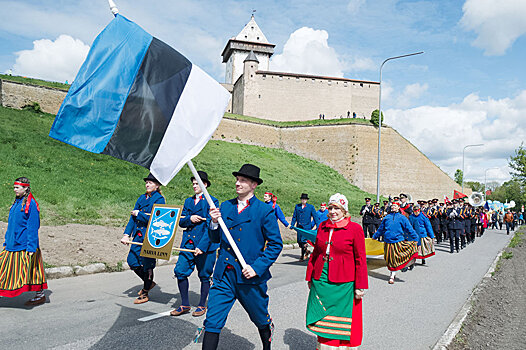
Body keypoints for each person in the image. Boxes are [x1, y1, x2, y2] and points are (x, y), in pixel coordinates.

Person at [201, 164, 283, 350]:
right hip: (224, 276)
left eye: (243, 180)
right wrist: (213, 223)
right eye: (237, 179)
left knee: (260, 318)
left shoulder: (264, 211)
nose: (238, 183)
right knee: (212, 321)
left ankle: (266, 341)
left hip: (249, 276)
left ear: (254, 185)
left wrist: (257, 267)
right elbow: (215, 239)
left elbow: (276, 244)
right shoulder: (225, 207)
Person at [305, 193, 368, 349]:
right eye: (331, 208)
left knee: (342, 317)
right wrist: (310, 277)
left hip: (344, 281)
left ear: (344, 210)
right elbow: (316, 254)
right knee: (322, 315)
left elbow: (360, 259)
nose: (333, 211)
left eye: (337, 208)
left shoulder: (355, 229)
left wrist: (360, 286)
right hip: (321, 278)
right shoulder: (322, 226)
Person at [171, 171, 219, 317]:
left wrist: (202, 247)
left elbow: (211, 225)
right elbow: (181, 221)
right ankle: (184, 304)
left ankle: (201, 304)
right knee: (180, 272)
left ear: (204, 185)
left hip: (206, 245)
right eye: (193, 183)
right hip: (188, 243)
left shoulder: (212, 202)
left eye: (197, 183)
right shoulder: (188, 201)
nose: (194, 186)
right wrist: (190, 218)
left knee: (204, 275)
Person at [0, 177, 47, 305]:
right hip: (12, 244)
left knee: (31, 270)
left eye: (17, 187)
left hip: (24, 246)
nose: (14, 190)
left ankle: (40, 295)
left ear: (26, 188)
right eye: (14, 187)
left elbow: (33, 227)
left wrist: (31, 247)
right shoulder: (17, 203)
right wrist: (7, 241)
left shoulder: (31, 204)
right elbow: (12, 225)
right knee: (4, 270)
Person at [120, 173, 165, 304]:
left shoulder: (159, 199)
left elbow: (157, 220)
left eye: (150, 183)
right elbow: (132, 218)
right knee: (132, 261)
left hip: (150, 237)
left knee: (148, 265)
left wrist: (140, 214)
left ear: (157, 185)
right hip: (138, 236)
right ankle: (149, 283)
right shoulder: (141, 198)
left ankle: (145, 292)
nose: (147, 185)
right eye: (146, 182)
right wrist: (126, 234)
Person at [372, 202, 418, 284]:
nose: (393, 207)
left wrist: (415, 237)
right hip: (387, 242)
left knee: (396, 258)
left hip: (398, 241)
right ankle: (393, 273)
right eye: (392, 206)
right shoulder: (387, 217)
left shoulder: (402, 218)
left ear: (398, 207)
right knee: (389, 260)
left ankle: (392, 275)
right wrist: (375, 236)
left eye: (395, 206)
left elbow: (409, 228)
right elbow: (381, 229)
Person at [290, 193, 320, 261]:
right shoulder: (297, 206)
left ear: (306, 200)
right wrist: (292, 224)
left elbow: (315, 217)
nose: (303, 200)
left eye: (305, 199)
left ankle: (302, 255)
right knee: (299, 241)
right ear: (301, 200)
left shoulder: (311, 207)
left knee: (303, 241)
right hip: (299, 227)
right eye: (302, 199)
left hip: (306, 227)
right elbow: (294, 216)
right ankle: (306, 251)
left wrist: (318, 226)